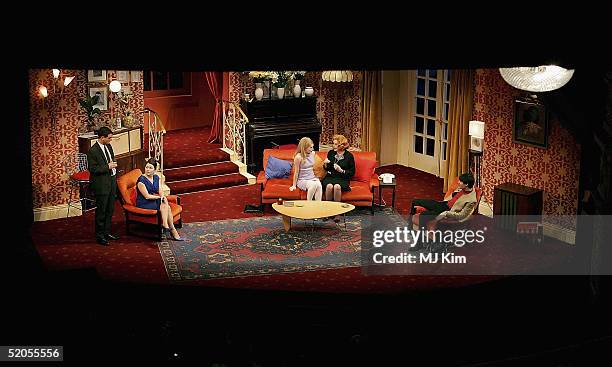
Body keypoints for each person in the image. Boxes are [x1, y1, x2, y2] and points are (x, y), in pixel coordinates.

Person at [409, 172, 478, 236]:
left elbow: (462, 215)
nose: (458, 182)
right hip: (443, 204)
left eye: (460, 181)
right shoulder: (462, 188)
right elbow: (451, 197)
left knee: (424, 215)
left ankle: (420, 242)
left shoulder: (471, 200)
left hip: (447, 210)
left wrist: (446, 213)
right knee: (415, 201)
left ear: (466, 184)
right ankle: (409, 227)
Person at [136, 158, 184, 241]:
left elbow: (159, 190)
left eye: (150, 168)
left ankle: (166, 226)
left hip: (153, 199)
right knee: (166, 206)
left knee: (165, 204)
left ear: (154, 169)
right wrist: (160, 198)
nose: (148, 169)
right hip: (144, 202)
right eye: (147, 167)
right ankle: (172, 230)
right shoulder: (141, 180)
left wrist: (162, 196)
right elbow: (147, 196)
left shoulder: (156, 177)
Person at [87, 126, 119, 246]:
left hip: (111, 181)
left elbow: (110, 159)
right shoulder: (93, 151)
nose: (111, 140)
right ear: (102, 137)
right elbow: (92, 169)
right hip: (101, 184)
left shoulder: (108, 146)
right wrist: (108, 167)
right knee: (101, 211)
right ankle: (100, 236)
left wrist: (113, 166)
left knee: (110, 209)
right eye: (109, 138)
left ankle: (106, 232)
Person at [321, 134, 355, 222]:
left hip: (342, 177)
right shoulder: (331, 153)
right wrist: (325, 164)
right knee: (329, 186)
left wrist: (341, 170)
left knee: (337, 187)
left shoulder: (349, 156)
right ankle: (328, 211)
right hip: (331, 176)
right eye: (333, 143)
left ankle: (337, 213)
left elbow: (352, 173)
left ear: (341, 146)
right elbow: (327, 168)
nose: (333, 146)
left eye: (336, 144)